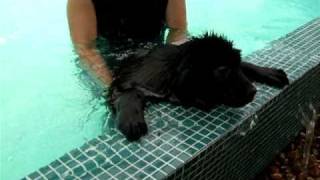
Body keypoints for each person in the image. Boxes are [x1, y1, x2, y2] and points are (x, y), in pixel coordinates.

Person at [67, 0, 188, 89]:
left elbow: (178, 30)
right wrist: (115, 90)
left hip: (155, 59)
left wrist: (167, 69)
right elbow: (86, 49)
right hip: (103, 64)